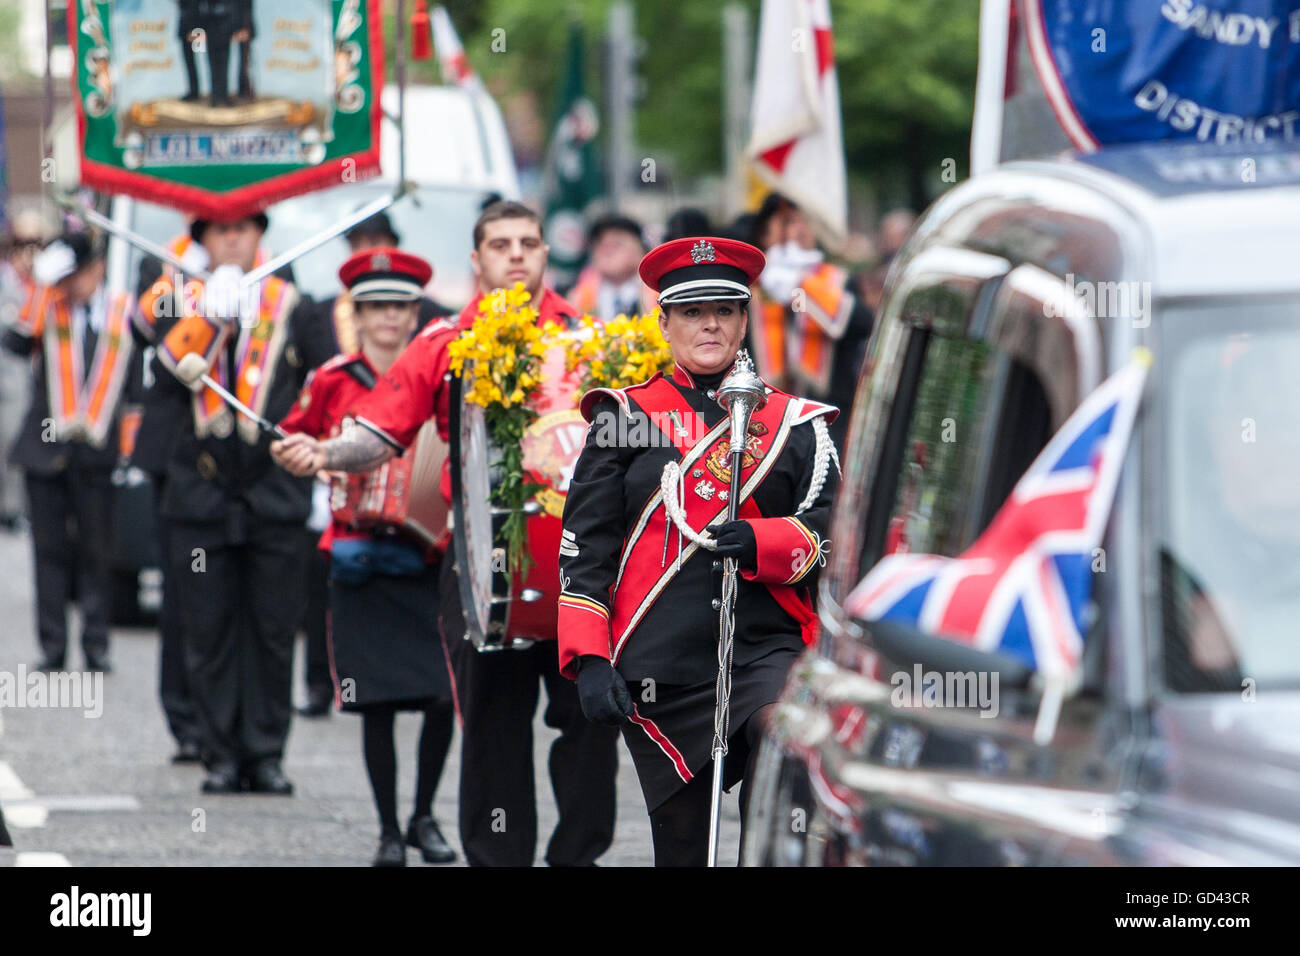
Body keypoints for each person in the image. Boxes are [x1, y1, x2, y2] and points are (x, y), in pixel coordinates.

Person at [271, 199, 622, 867]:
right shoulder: (444, 343)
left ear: (547, 254)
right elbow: (379, 427)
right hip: (481, 568)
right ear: (478, 261)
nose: (516, 255)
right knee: (491, 729)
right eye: (501, 244)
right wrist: (324, 453)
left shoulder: (592, 343)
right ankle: (499, 859)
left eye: (528, 242)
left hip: (581, 574)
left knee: (587, 723)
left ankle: (577, 855)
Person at [556, 236, 841, 866]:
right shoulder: (624, 417)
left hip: (764, 647)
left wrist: (766, 541)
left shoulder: (796, 424)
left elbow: (830, 535)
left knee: (779, 745)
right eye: (691, 311)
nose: (709, 323)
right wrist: (590, 658)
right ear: (663, 322)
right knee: (682, 844)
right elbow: (586, 549)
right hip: (661, 655)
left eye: (724, 309)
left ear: (743, 320)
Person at [140, 210, 334, 794]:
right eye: (218, 231)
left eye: (242, 229)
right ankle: (219, 752)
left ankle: (266, 753)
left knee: (274, 629)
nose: (231, 238)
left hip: (273, 489)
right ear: (202, 241)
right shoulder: (179, 301)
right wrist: (206, 320)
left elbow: (324, 382)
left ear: (259, 237)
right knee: (208, 625)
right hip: (199, 491)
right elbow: (162, 375)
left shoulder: (295, 304)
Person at [278, 248, 457, 866]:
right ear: (356, 313)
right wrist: (307, 452)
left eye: (400, 306)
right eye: (376, 306)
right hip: (358, 556)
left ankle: (425, 815)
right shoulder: (332, 377)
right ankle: (387, 829)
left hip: (431, 556)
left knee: (442, 695)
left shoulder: (445, 373)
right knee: (374, 701)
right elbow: (292, 433)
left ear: (416, 313)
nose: (389, 318)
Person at [1, 233, 137, 673]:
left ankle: (96, 646)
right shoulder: (48, 308)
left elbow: (135, 387)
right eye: (65, 276)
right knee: (50, 551)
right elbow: (16, 343)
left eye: (76, 274)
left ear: (97, 269)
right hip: (45, 452)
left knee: (97, 552)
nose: (72, 284)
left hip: (97, 452)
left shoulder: (121, 314)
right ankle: (52, 647)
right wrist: (40, 285)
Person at [748, 193, 873, 446]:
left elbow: (864, 323)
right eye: (789, 221)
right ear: (765, 233)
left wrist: (804, 285)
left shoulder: (835, 279)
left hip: (828, 414)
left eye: (807, 221)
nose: (801, 229)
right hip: (763, 417)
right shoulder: (751, 288)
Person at [0, 213, 49, 532]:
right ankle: (9, 507)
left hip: (33, 380)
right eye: (23, 245)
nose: (29, 253)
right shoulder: (6, 281)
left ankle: (20, 506)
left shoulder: (44, 285)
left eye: (36, 245)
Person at [566, 214, 653, 320]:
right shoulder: (578, 299)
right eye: (600, 243)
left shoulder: (659, 295)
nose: (606, 251)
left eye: (616, 243)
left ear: (641, 249)